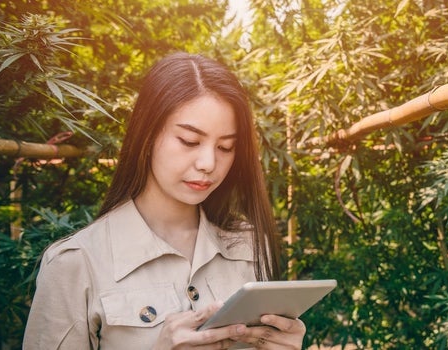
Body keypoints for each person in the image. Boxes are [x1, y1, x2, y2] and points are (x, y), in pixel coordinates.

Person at [23, 52, 306, 349]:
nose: (208, 162)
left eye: (226, 147)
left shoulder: (248, 245)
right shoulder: (76, 263)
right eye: (189, 141)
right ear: (147, 134)